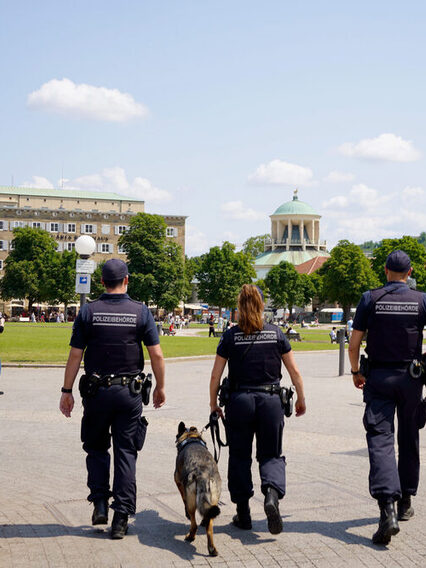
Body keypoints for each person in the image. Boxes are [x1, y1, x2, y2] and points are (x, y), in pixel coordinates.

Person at [59, 259, 166, 539]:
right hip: (129, 393)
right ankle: (121, 518)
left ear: (101, 282)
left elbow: (75, 355)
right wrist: (160, 388)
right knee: (125, 453)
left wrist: (66, 391)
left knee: (96, 449)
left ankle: (100, 503)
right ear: (126, 280)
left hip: (96, 392)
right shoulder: (141, 312)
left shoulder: (88, 312)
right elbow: (156, 354)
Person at [209, 284, 306, 534]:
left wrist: (213, 405)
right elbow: (294, 371)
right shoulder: (276, 333)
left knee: (240, 457)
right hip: (270, 401)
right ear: (262, 305)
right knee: (271, 454)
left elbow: (215, 376)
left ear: (239, 307)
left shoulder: (230, 336)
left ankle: (244, 514)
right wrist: (301, 398)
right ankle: (271, 496)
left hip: (239, 402)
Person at [349, 250, 426, 545]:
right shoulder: (421, 300)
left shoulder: (371, 298)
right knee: (409, 438)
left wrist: (356, 371)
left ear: (385, 271)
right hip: (411, 378)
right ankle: (406, 500)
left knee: (380, 440)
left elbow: (354, 342)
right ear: (409, 273)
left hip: (379, 378)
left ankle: (387, 510)